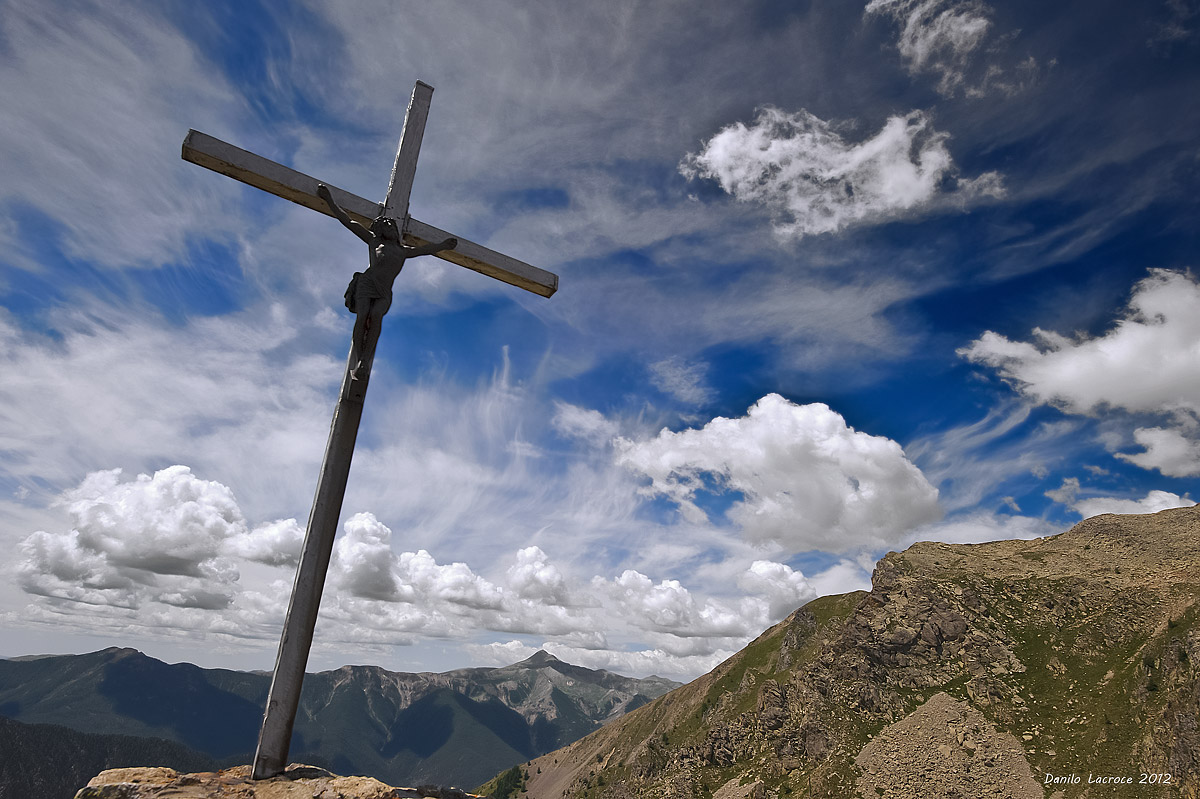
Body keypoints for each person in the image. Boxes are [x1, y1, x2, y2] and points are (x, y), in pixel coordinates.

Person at [317, 183, 456, 379]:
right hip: (367, 282)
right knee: (363, 314)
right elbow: (347, 221)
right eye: (387, 225)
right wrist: (329, 199)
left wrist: (443, 245)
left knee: (376, 316)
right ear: (380, 229)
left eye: (393, 225)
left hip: (384, 290)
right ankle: (359, 358)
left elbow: (426, 249)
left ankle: (366, 358)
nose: (392, 227)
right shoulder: (374, 241)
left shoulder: (404, 251)